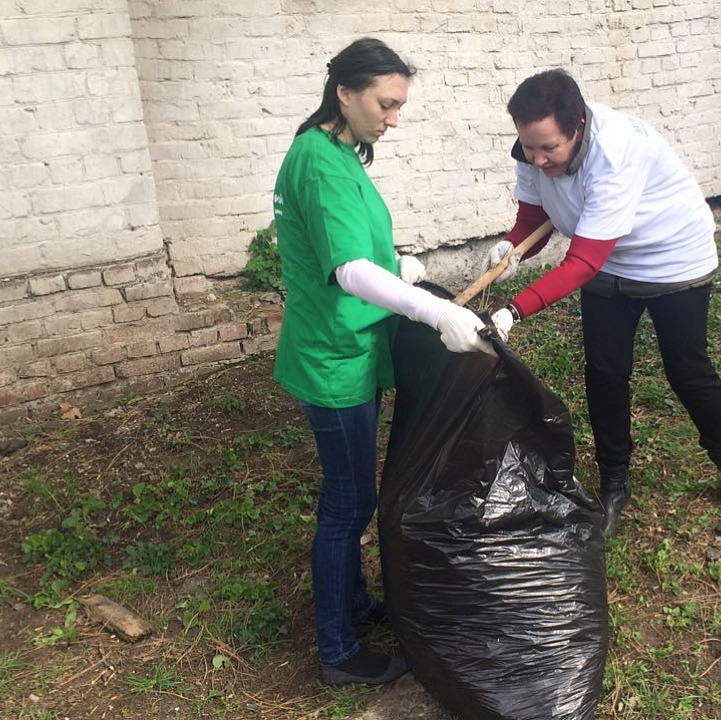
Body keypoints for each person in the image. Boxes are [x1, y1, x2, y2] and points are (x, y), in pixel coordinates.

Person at [272, 37, 492, 687]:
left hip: (352, 348)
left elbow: (351, 245)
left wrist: (402, 268)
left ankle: (351, 602)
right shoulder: (317, 159)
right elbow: (346, 269)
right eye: (386, 104)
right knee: (347, 505)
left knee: (352, 498)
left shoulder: (340, 151)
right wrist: (432, 310)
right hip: (332, 359)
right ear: (345, 91)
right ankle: (337, 651)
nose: (393, 119)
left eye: (399, 106)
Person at [485, 69, 721, 537]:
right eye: (529, 147)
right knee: (605, 372)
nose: (538, 158)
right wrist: (511, 249)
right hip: (609, 261)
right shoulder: (533, 151)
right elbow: (536, 218)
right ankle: (615, 480)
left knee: (687, 368)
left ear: (577, 126)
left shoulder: (615, 155)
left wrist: (514, 309)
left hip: (671, 257)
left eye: (548, 147)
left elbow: (582, 263)